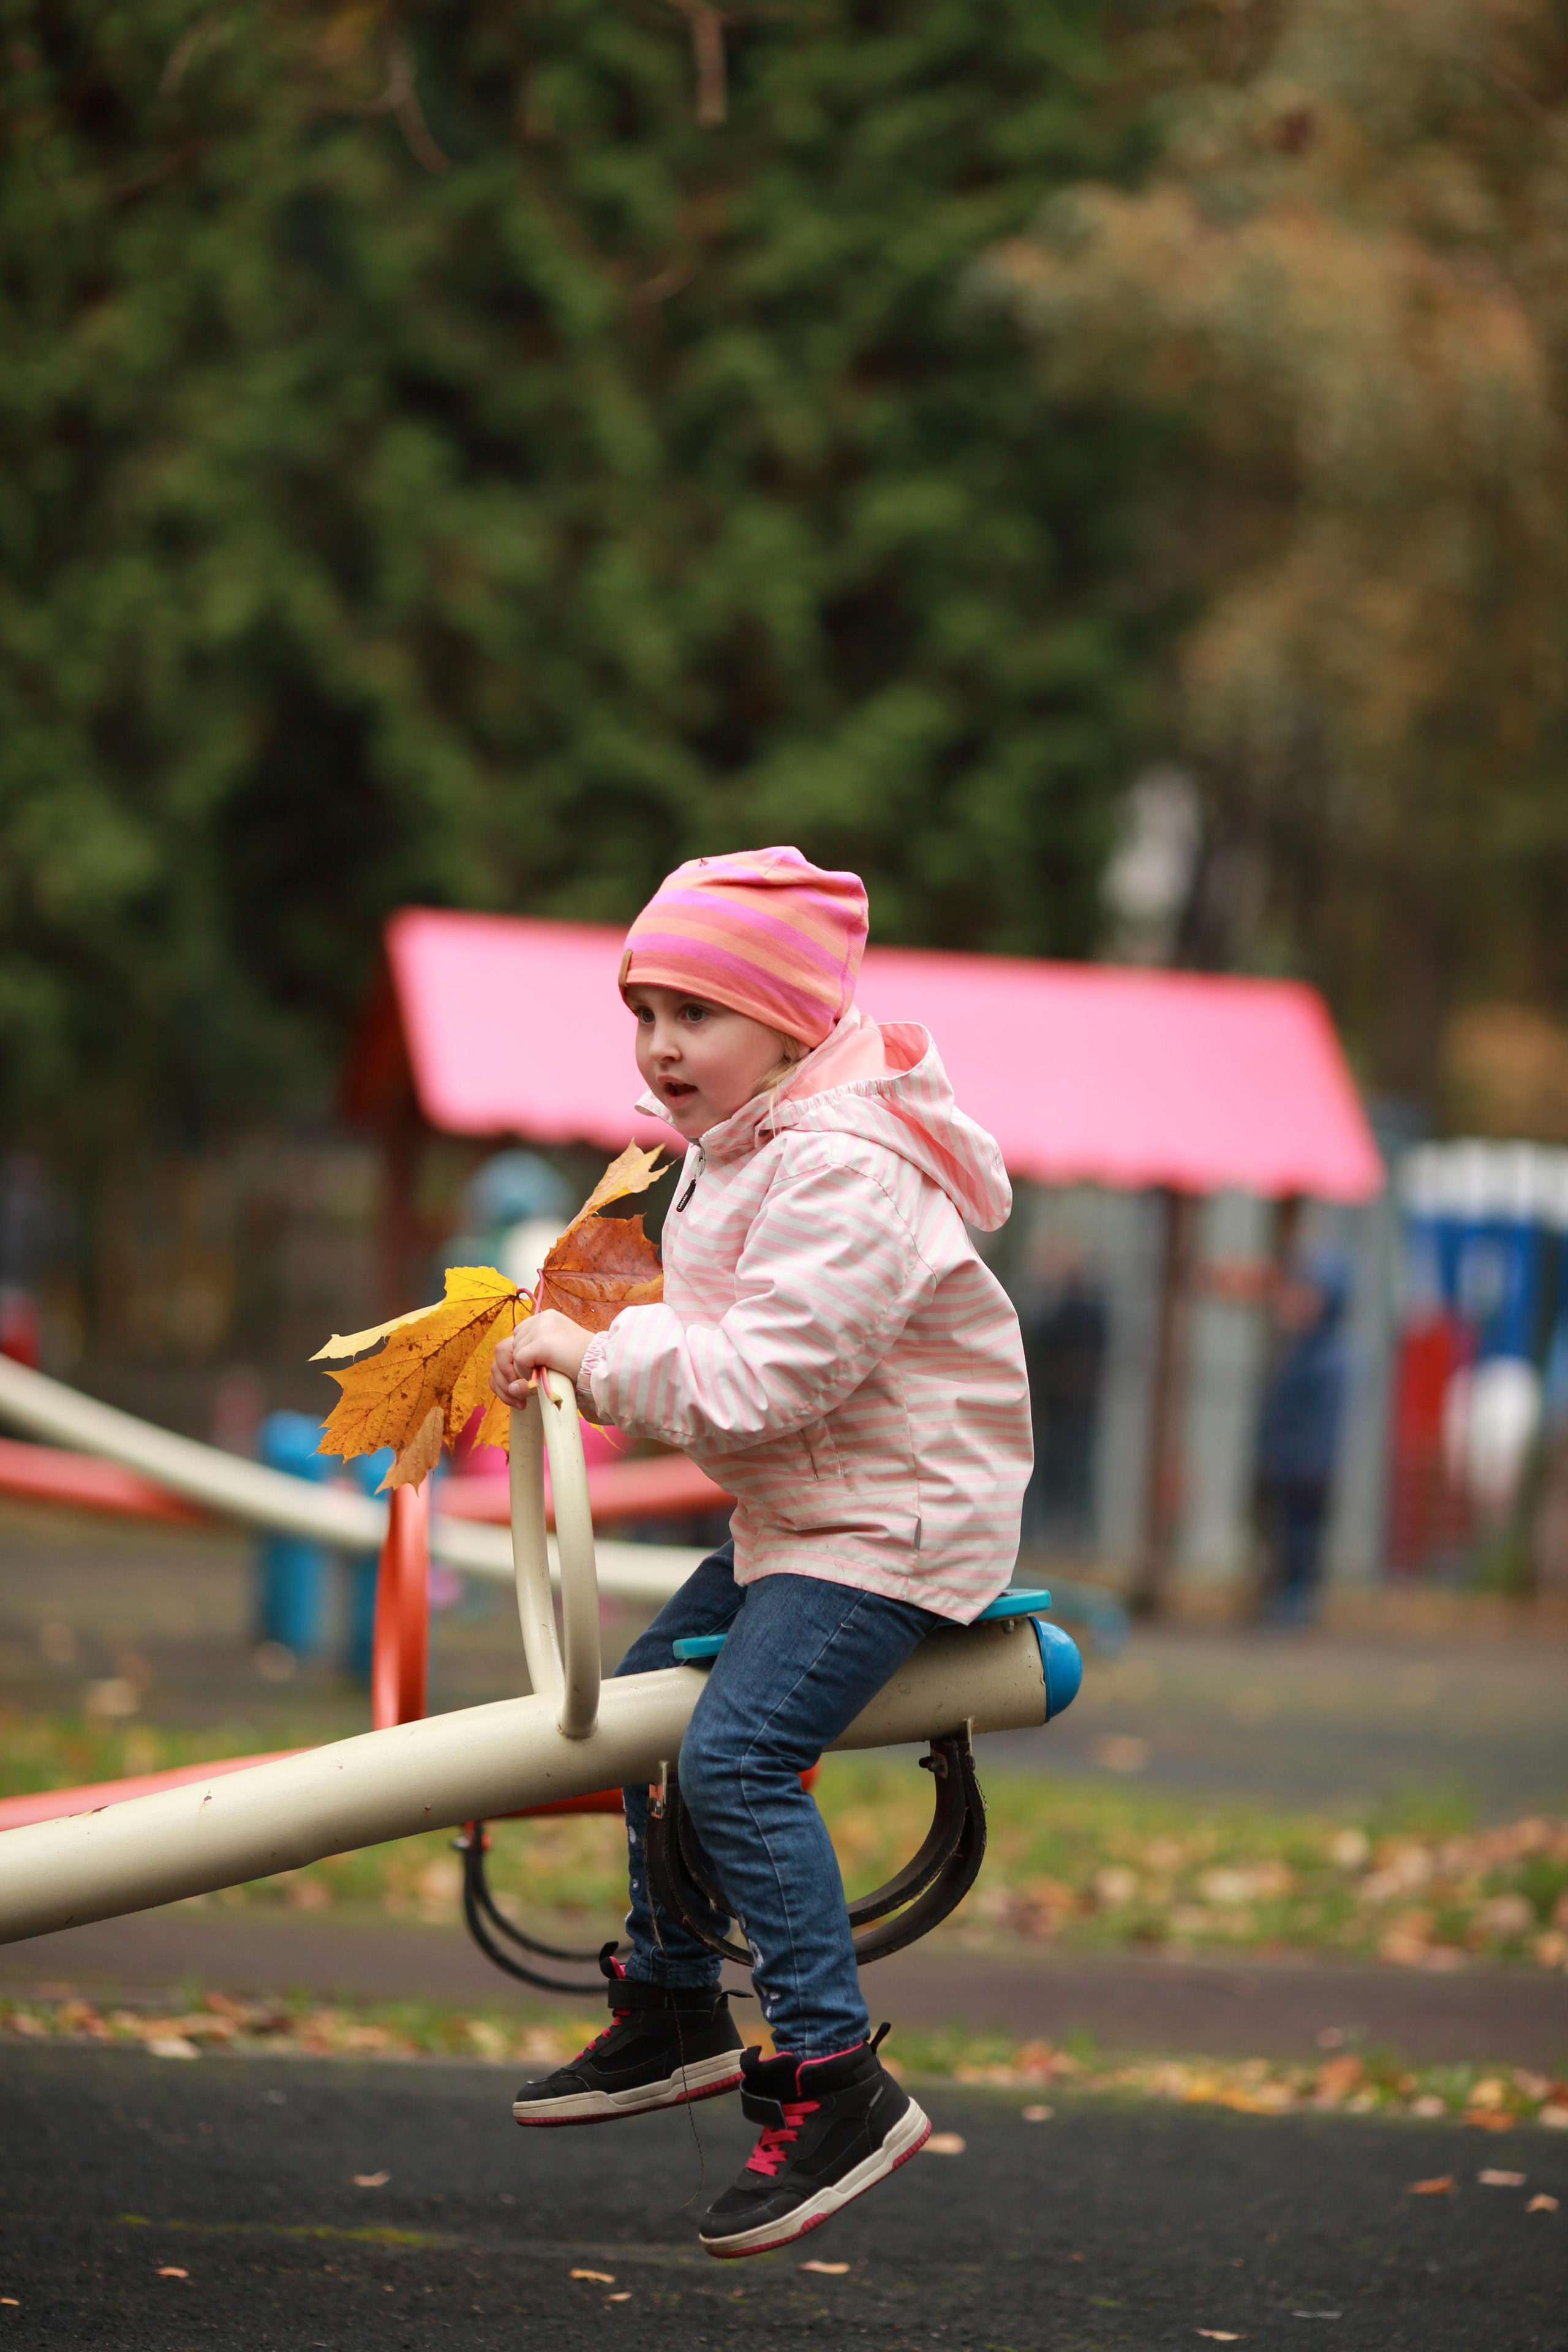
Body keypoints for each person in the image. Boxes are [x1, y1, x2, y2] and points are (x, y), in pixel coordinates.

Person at [489, 846, 1031, 2260]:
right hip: (808, 1513)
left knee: (730, 1753)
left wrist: (595, 1351)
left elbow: (758, 1382)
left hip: (891, 1521)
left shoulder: (841, 1166)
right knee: (638, 1706)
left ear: (789, 1024)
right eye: (645, 1012)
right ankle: (674, 2000)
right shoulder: (743, 1148)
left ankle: (834, 2075)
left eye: (696, 1014)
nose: (662, 1047)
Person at [1254, 1251, 1351, 1624]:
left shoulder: (1329, 1357)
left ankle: (1298, 1602)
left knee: (1303, 1543)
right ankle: (1285, 1599)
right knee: (1284, 1540)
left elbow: (1320, 1424)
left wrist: (1308, 1467)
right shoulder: (1299, 1348)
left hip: (1307, 1472)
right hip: (1286, 1468)